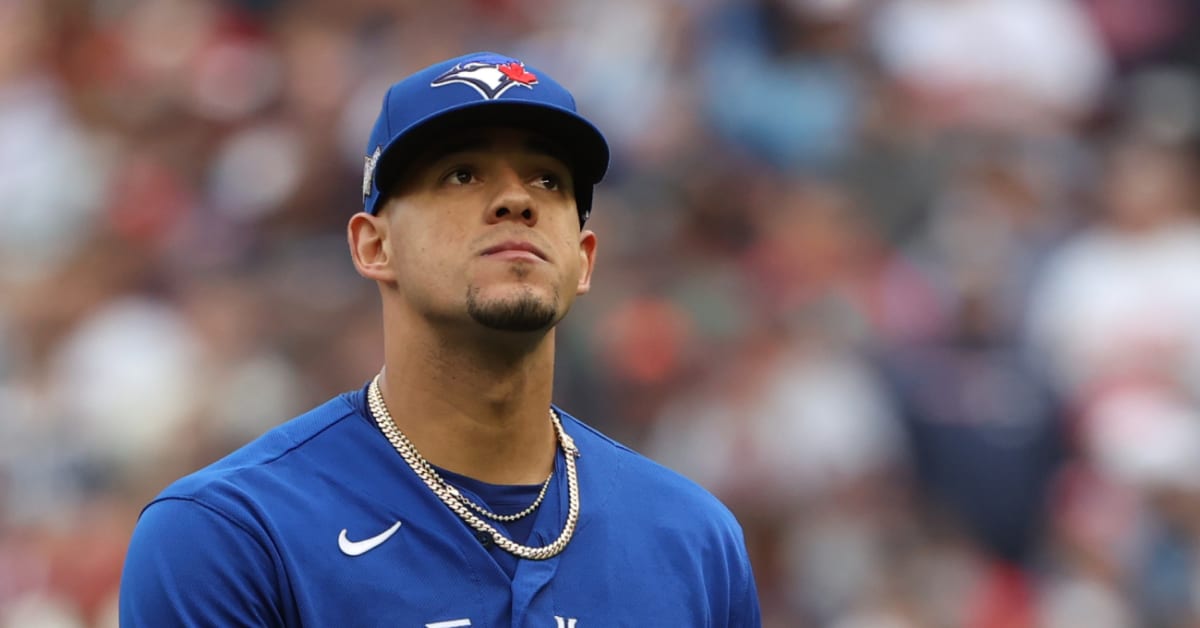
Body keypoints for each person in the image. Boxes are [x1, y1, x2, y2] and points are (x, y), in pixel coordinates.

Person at [119, 51, 762, 627]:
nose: (517, 200)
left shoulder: (692, 540)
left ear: (583, 258)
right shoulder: (232, 533)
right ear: (375, 246)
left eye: (548, 179)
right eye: (461, 173)